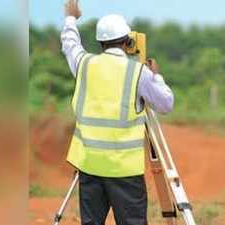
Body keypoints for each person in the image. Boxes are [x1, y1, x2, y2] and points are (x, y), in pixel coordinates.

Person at [61, 1, 174, 224]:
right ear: (128, 41)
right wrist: (156, 76)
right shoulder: (138, 72)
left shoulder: (84, 64)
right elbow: (166, 104)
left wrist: (70, 18)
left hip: (90, 166)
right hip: (124, 171)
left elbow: (70, 44)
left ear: (100, 42)